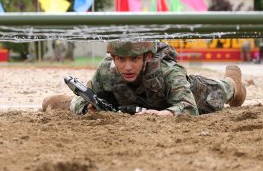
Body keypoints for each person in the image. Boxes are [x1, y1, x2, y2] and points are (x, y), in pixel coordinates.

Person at [43, 41, 246, 116]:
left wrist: (162, 115)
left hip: (190, 95)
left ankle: (234, 82)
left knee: (224, 91)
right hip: (131, 105)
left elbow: (188, 107)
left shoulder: (168, 71)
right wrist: (85, 107)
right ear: (113, 57)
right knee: (60, 103)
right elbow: (86, 93)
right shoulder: (106, 70)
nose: (127, 66)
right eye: (121, 59)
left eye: (134, 59)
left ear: (147, 56)